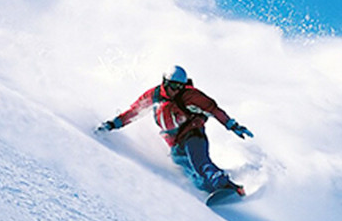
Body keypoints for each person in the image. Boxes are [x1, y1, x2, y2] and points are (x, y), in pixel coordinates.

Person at [97, 66, 253, 195]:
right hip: (174, 142)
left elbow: (214, 110)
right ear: (165, 82)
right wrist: (112, 124)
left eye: (180, 87)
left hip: (193, 132)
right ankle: (215, 190)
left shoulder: (190, 95)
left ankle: (224, 184)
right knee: (190, 172)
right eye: (173, 86)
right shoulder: (154, 95)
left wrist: (232, 125)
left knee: (199, 160)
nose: (176, 91)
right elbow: (134, 112)